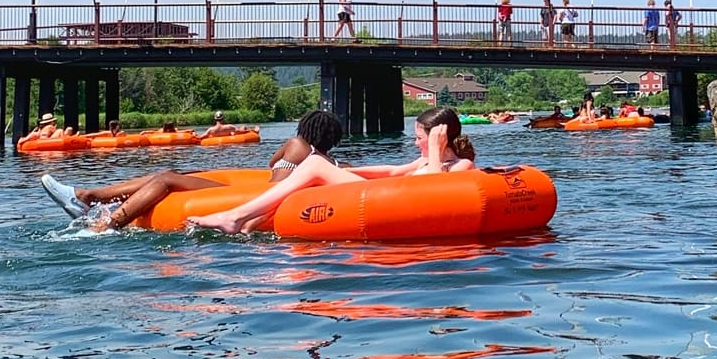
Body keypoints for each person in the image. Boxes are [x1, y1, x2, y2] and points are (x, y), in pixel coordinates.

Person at [192, 107, 476, 235]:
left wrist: (437, 150)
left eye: (420, 139)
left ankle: (235, 216)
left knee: (315, 164)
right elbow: (391, 172)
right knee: (318, 168)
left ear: (439, 137)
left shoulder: (461, 166)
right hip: (383, 198)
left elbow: (437, 193)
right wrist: (338, 169)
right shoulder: (422, 162)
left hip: (390, 206)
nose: (415, 143)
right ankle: (250, 222)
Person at [41, 110, 345, 230]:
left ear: (305, 128)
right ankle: (90, 199)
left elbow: (270, 166)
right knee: (169, 175)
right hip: (263, 196)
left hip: (257, 196)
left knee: (168, 177)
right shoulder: (328, 163)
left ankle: (105, 216)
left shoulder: (294, 144)